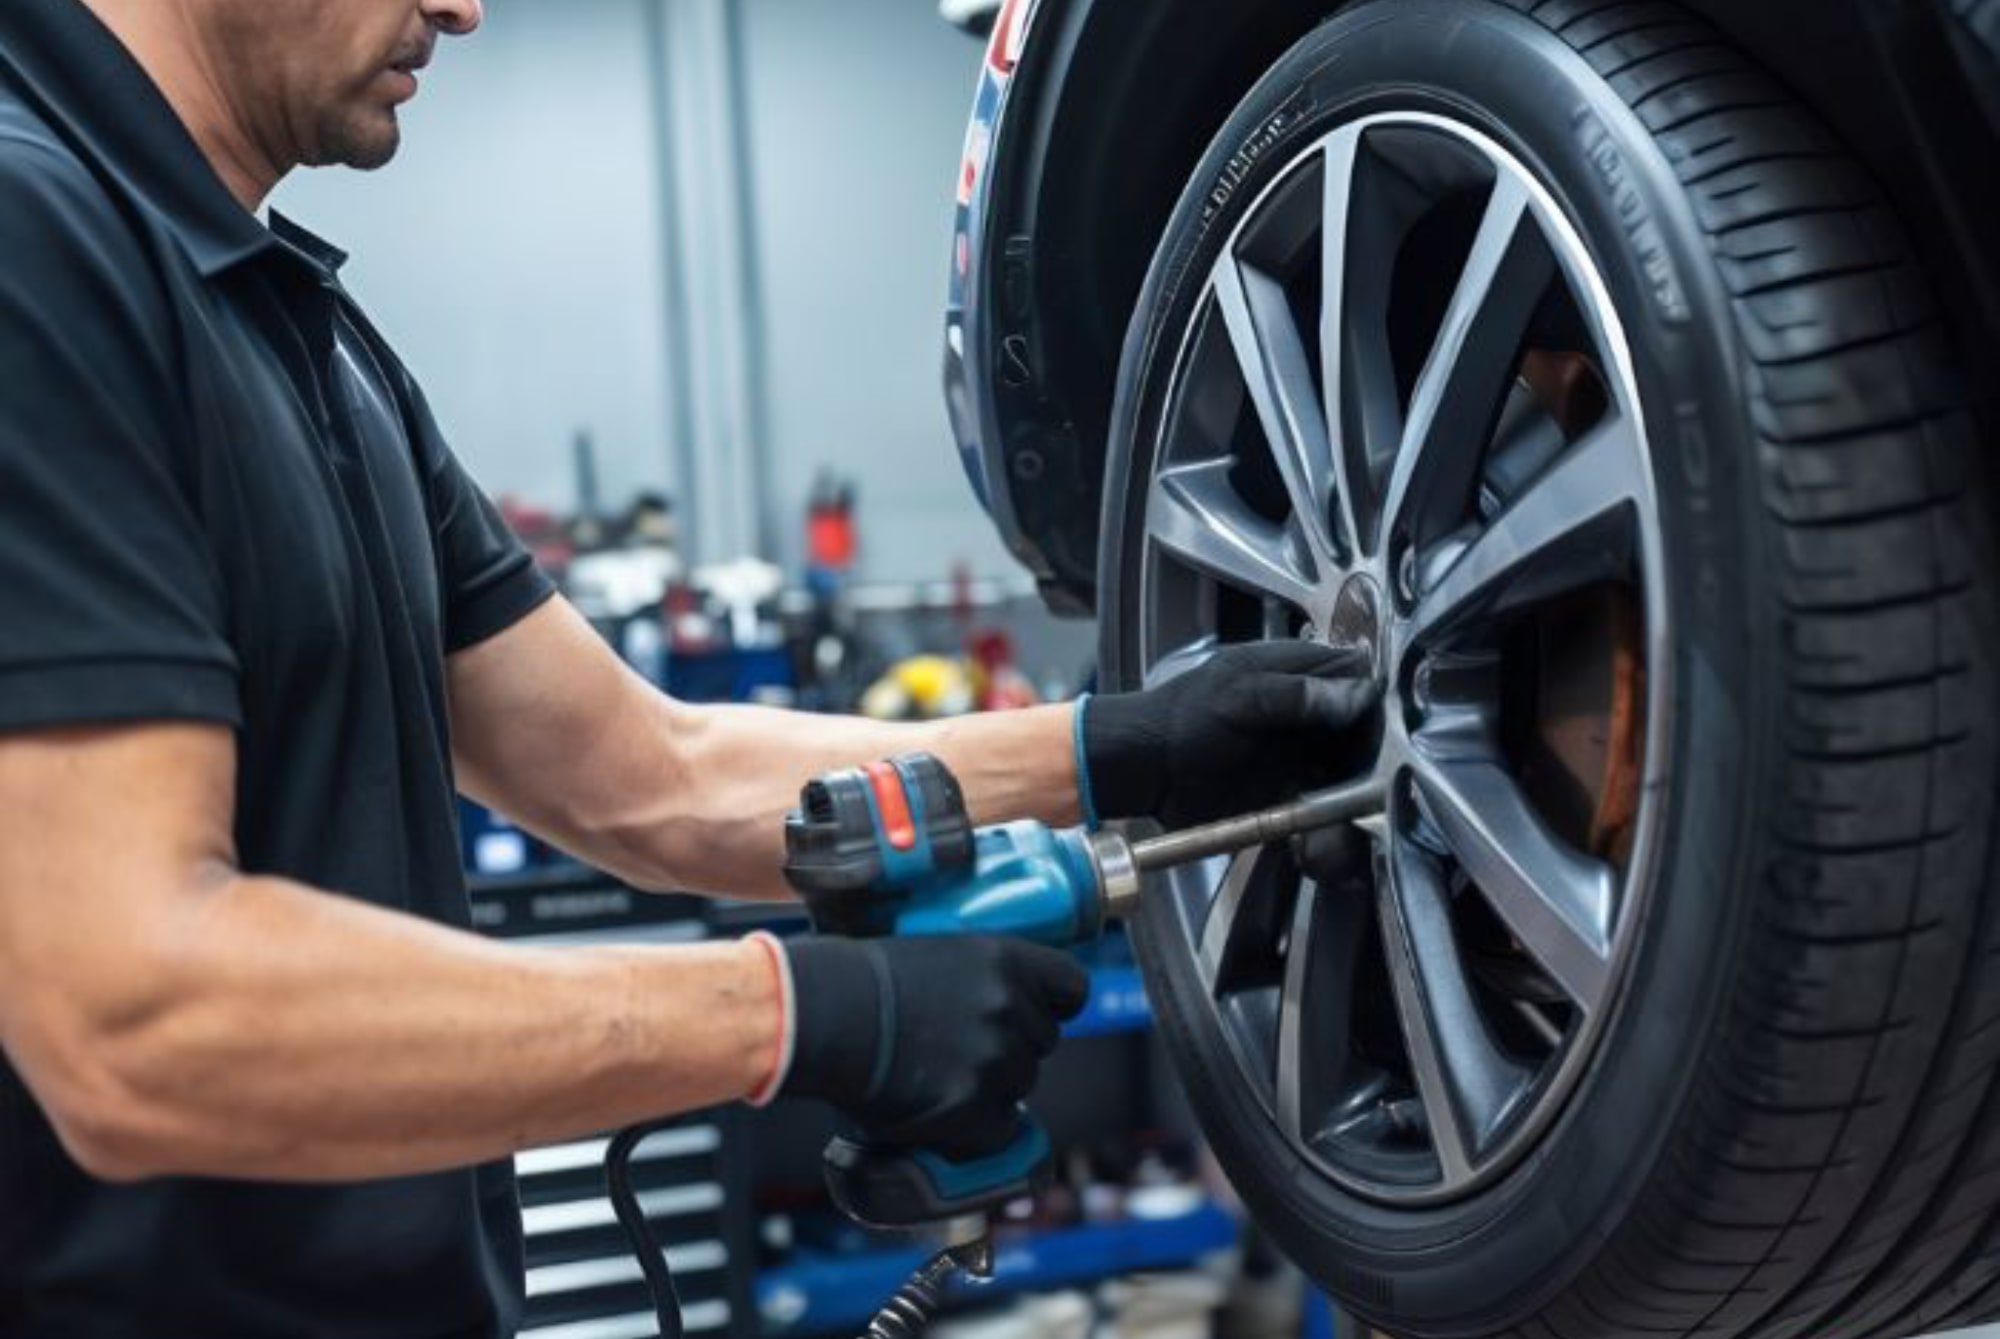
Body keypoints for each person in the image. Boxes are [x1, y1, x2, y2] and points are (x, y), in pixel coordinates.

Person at [0, 1, 1378, 1334]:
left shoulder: (306, 332)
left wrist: (1109, 754)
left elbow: (654, 778)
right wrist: (790, 1014)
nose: (463, 11)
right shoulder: (32, 247)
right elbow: (136, 1011)